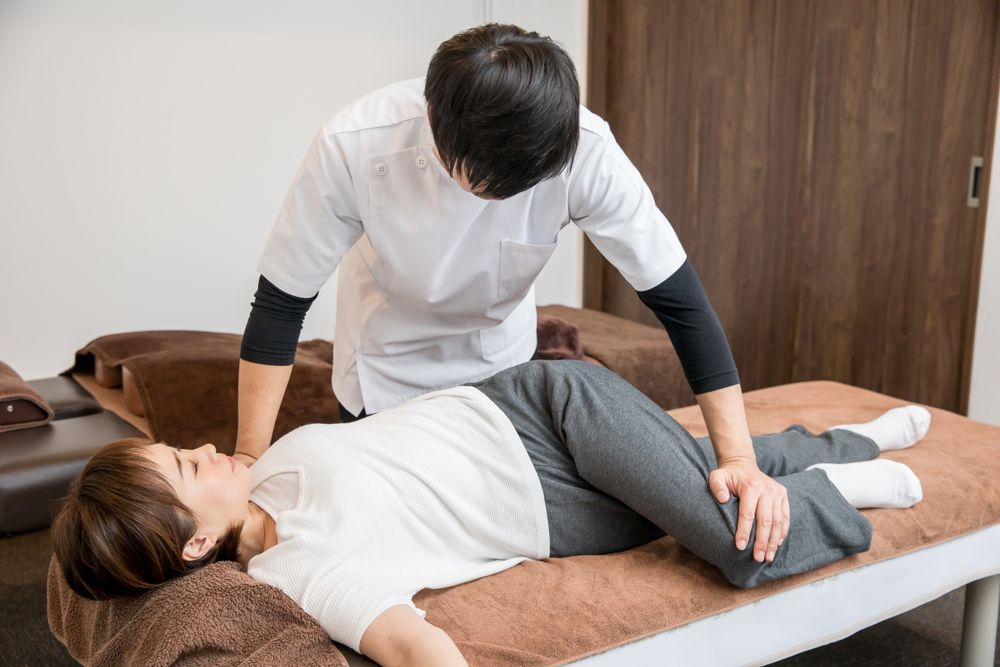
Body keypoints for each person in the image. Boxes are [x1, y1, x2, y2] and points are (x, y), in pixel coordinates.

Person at [235, 22, 785, 564]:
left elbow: (680, 302)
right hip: (387, 377)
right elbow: (282, 305)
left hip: (505, 376)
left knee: (617, 499)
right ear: (435, 124)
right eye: (485, 188)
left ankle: (830, 458)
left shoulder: (585, 150)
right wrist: (248, 460)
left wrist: (738, 456)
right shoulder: (354, 145)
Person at [52, 361, 927, 666]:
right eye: (184, 465)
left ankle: (846, 486)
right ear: (197, 540)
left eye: (181, 445)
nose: (204, 449)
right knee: (713, 482)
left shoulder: (269, 467)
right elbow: (415, 646)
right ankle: (845, 444)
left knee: (742, 549)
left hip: (543, 409)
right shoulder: (300, 574)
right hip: (565, 516)